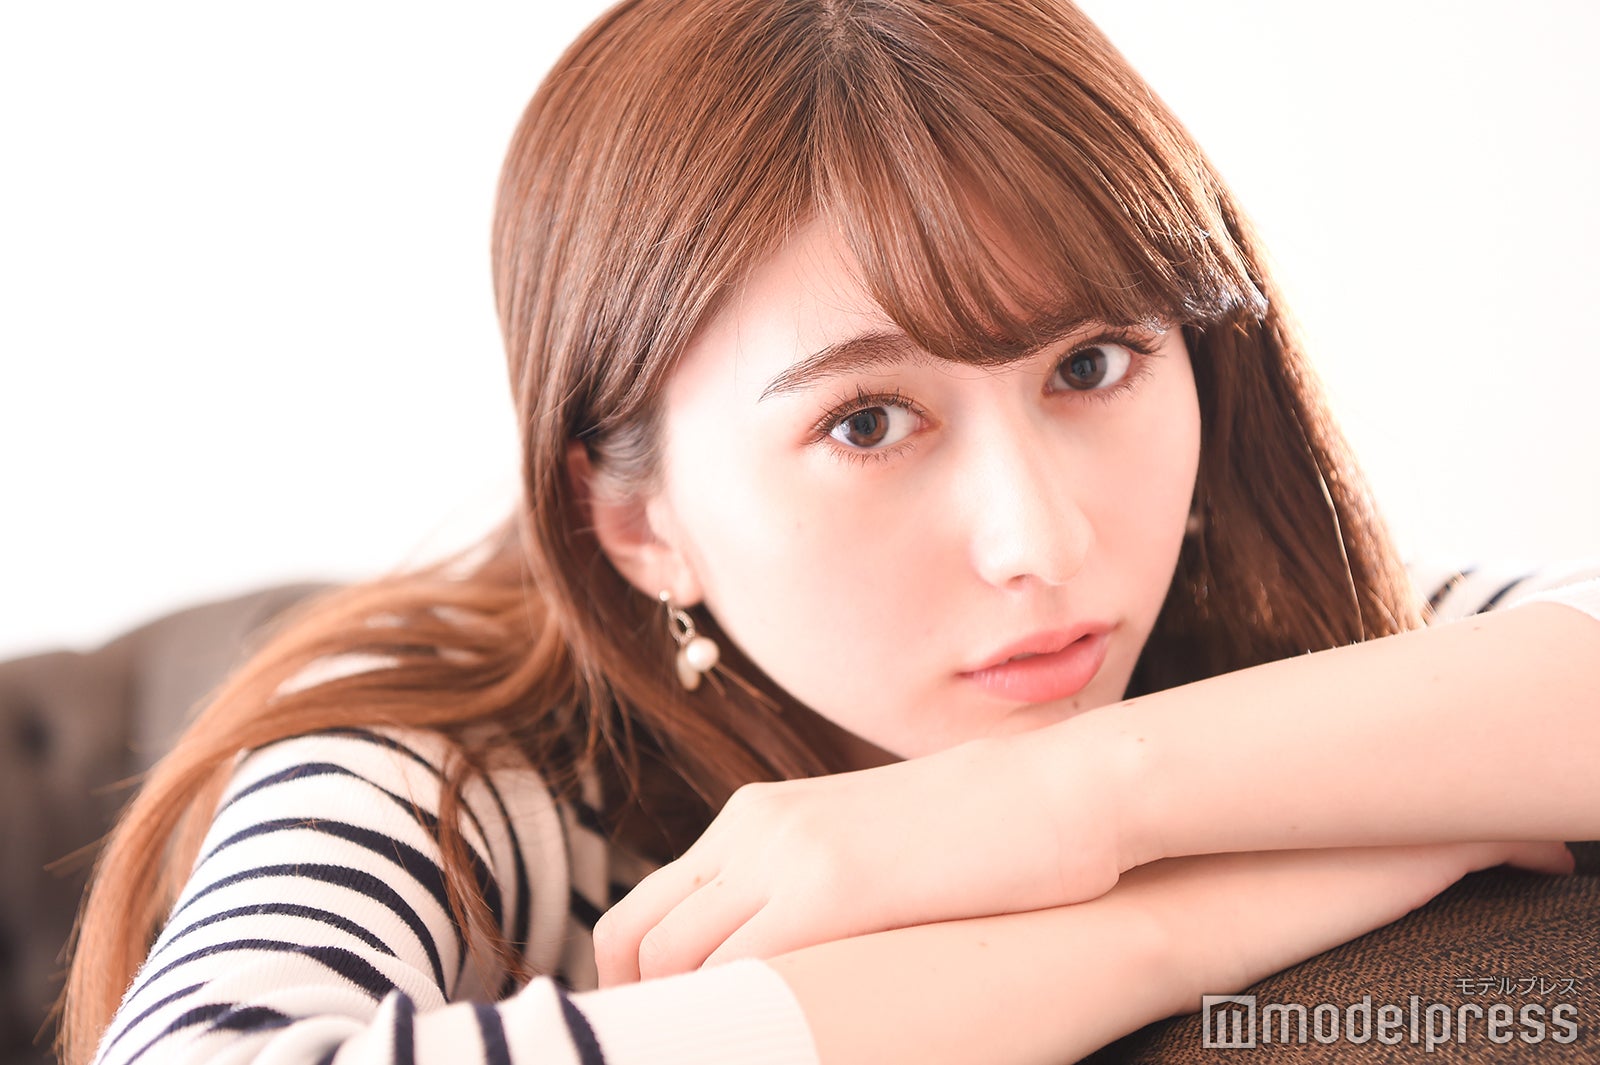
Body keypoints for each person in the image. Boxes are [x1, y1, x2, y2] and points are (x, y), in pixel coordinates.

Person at [60, 1, 1598, 1063]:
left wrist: (1071, 798)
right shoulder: (457, 759)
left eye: (1091, 364)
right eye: (866, 421)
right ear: (635, 521)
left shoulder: (1260, 623)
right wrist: (1174, 925)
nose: (1041, 540)